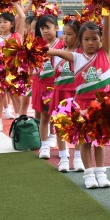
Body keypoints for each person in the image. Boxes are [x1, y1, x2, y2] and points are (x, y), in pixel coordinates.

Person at [48, 15, 110, 186]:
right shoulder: (76, 56)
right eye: (86, 39)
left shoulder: (104, 53)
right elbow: (54, 52)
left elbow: (107, 30)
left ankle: (101, 173)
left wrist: (106, 13)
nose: (90, 43)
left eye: (94, 39)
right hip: (83, 105)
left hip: (102, 106)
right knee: (85, 142)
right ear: (80, 41)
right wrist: (32, 50)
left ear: (101, 39)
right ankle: (89, 174)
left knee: (100, 142)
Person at [46, 19, 83, 172]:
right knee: (60, 126)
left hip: (76, 93)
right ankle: (63, 158)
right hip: (60, 92)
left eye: (70, 34)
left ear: (78, 35)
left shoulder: (82, 53)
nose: (65, 37)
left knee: (79, 125)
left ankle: (78, 157)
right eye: (64, 33)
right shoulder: (56, 52)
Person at [34, 15, 63, 160]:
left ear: (56, 28)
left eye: (48, 27)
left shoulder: (62, 44)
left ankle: (58, 143)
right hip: (42, 84)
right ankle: (44, 146)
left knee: (59, 117)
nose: (45, 31)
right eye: (42, 28)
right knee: (44, 116)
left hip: (58, 85)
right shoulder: (37, 45)